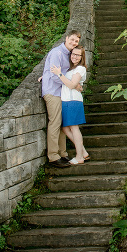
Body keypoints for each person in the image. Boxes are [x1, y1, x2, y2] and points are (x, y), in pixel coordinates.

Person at [41, 30, 81, 168]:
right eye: (72, 40)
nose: (74, 43)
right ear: (66, 38)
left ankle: (62, 154)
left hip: (61, 93)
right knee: (55, 122)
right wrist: (71, 86)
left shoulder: (69, 54)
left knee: (62, 124)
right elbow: (53, 76)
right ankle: (53, 156)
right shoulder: (57, 53)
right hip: (53, 92)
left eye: (76, 41)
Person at [51, 46, 90, 164]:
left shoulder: (80, 68)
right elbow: (70, 83)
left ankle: (79, 157)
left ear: (82, 57)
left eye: (78, 55)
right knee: (65, 128)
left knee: (74, 128)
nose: (75, 57)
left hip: (73, 101)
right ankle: (83, 152)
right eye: (73, 54)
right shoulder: (70, 69)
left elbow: (72, 85)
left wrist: (59, 74)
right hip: (67, 101)